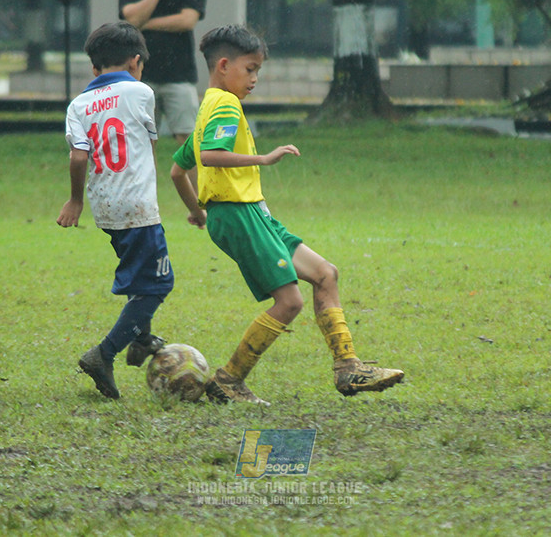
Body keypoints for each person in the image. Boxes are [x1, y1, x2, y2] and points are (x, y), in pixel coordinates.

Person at [169, 24, 404, 406]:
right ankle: (229, 380)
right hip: (239, 213)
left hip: (249, 214)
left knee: (325, 274)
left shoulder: (206, 106)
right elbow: (211, 155)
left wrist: (197, 210)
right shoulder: (225, 105)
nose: (255, 78)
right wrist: (263, 157)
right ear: (224, 65)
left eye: (258, 70)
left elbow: (179, 171)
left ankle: (349, 368)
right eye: (250, 69)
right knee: (290, 301)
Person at [57, 21, 171, 400]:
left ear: (94, 68)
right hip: (137, 203)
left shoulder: (78, 104)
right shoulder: (141, 92)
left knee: (140, 278)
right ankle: (103, 354)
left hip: (104, 205)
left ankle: (141, 337)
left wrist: (75, 201)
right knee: (158, 284)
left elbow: (77, 158)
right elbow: (148, 145)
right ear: (136, 62)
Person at [119, 0, 206, 145]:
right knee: (143, 142)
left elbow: (187, 20)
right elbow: (132, 17)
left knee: (188, 140)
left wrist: (146, 24)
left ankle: (193, 183)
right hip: (140, 75)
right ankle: (148, 183)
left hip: (180, 76)